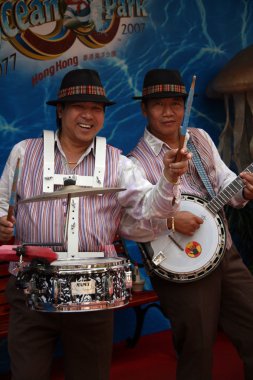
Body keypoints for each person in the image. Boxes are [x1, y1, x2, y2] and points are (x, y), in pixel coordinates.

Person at [0, 68, 191, 380]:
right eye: (79, 107)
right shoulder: (24, 152)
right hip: (30, 287)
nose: (88, 115)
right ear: (60, 111)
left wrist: (170, 178)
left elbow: (149, 208)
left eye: (97, 109)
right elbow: (1, 205)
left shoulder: (117, 162)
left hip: (94, 293)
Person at [126, 68, 253, 380]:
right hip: (180, 264)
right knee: (196, 349)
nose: (169, 112)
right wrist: (171, 220)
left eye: (176, 103)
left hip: (226, 254)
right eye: (158, 104)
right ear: (144, 108)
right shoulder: (134, 162)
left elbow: (226, 184)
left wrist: (244, 189)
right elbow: (132, 223)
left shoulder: (199, 138)